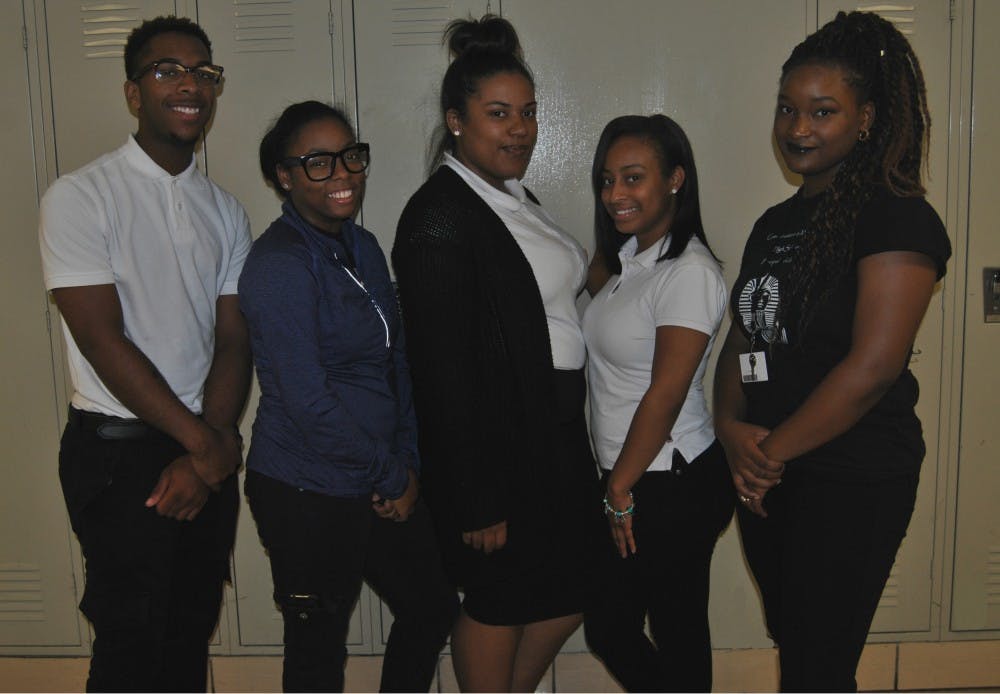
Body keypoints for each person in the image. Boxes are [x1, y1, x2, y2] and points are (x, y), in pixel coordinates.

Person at [713, 11, 951, 691]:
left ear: (867, 118)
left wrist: (766, 454)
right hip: (769, 477)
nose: (797, 128)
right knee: (806, 653)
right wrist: (731, 430)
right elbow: (743, 339)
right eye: (788, 109)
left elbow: (871, 368)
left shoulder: (896, 215)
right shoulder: (775, 223)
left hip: (850, 477)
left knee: (816, 666)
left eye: (823, 111)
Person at [37, 16, 251, 692]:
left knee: (187, 638)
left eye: (203, 73)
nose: (189, 84)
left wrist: (207, 451)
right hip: (120, 455)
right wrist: (204, 445)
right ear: (134, 93)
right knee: (132, 648)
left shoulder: (225, 210)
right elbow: (103, 341)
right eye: (168, 70)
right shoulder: (80, 196)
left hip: (200, 445)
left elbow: (233, 339)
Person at [391, 14, 599, 692]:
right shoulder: (439, 217)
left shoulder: (514, 197)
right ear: (456, 119)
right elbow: (441, 371)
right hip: (499, 457)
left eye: (529, 113)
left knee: (571, 587)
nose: (520, 129)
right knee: (498, 602)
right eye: (499, 113)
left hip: (552, 440)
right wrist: (477, 497)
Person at [239, 101, 458, 693]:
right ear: (283, 176)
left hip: (379, 474)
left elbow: (396, 362)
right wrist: (390, 476)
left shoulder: (362, 246)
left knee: (431, 606)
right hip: (305, 487)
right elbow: (308, 401)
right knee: (317, 652)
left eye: (350, 156)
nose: (342, 173)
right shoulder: (279, 265)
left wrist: (406, 461)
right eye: (317, 162)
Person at [581, 115, 733, 692]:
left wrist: (619, 489)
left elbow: (666, 391)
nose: (615, 194)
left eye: (633, 178)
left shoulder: (689, 272)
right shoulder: (630, 261)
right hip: (634, 474)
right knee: (617, 625)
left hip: (668, 480)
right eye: (607, 179)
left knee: (670, 629)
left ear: (675, 179)